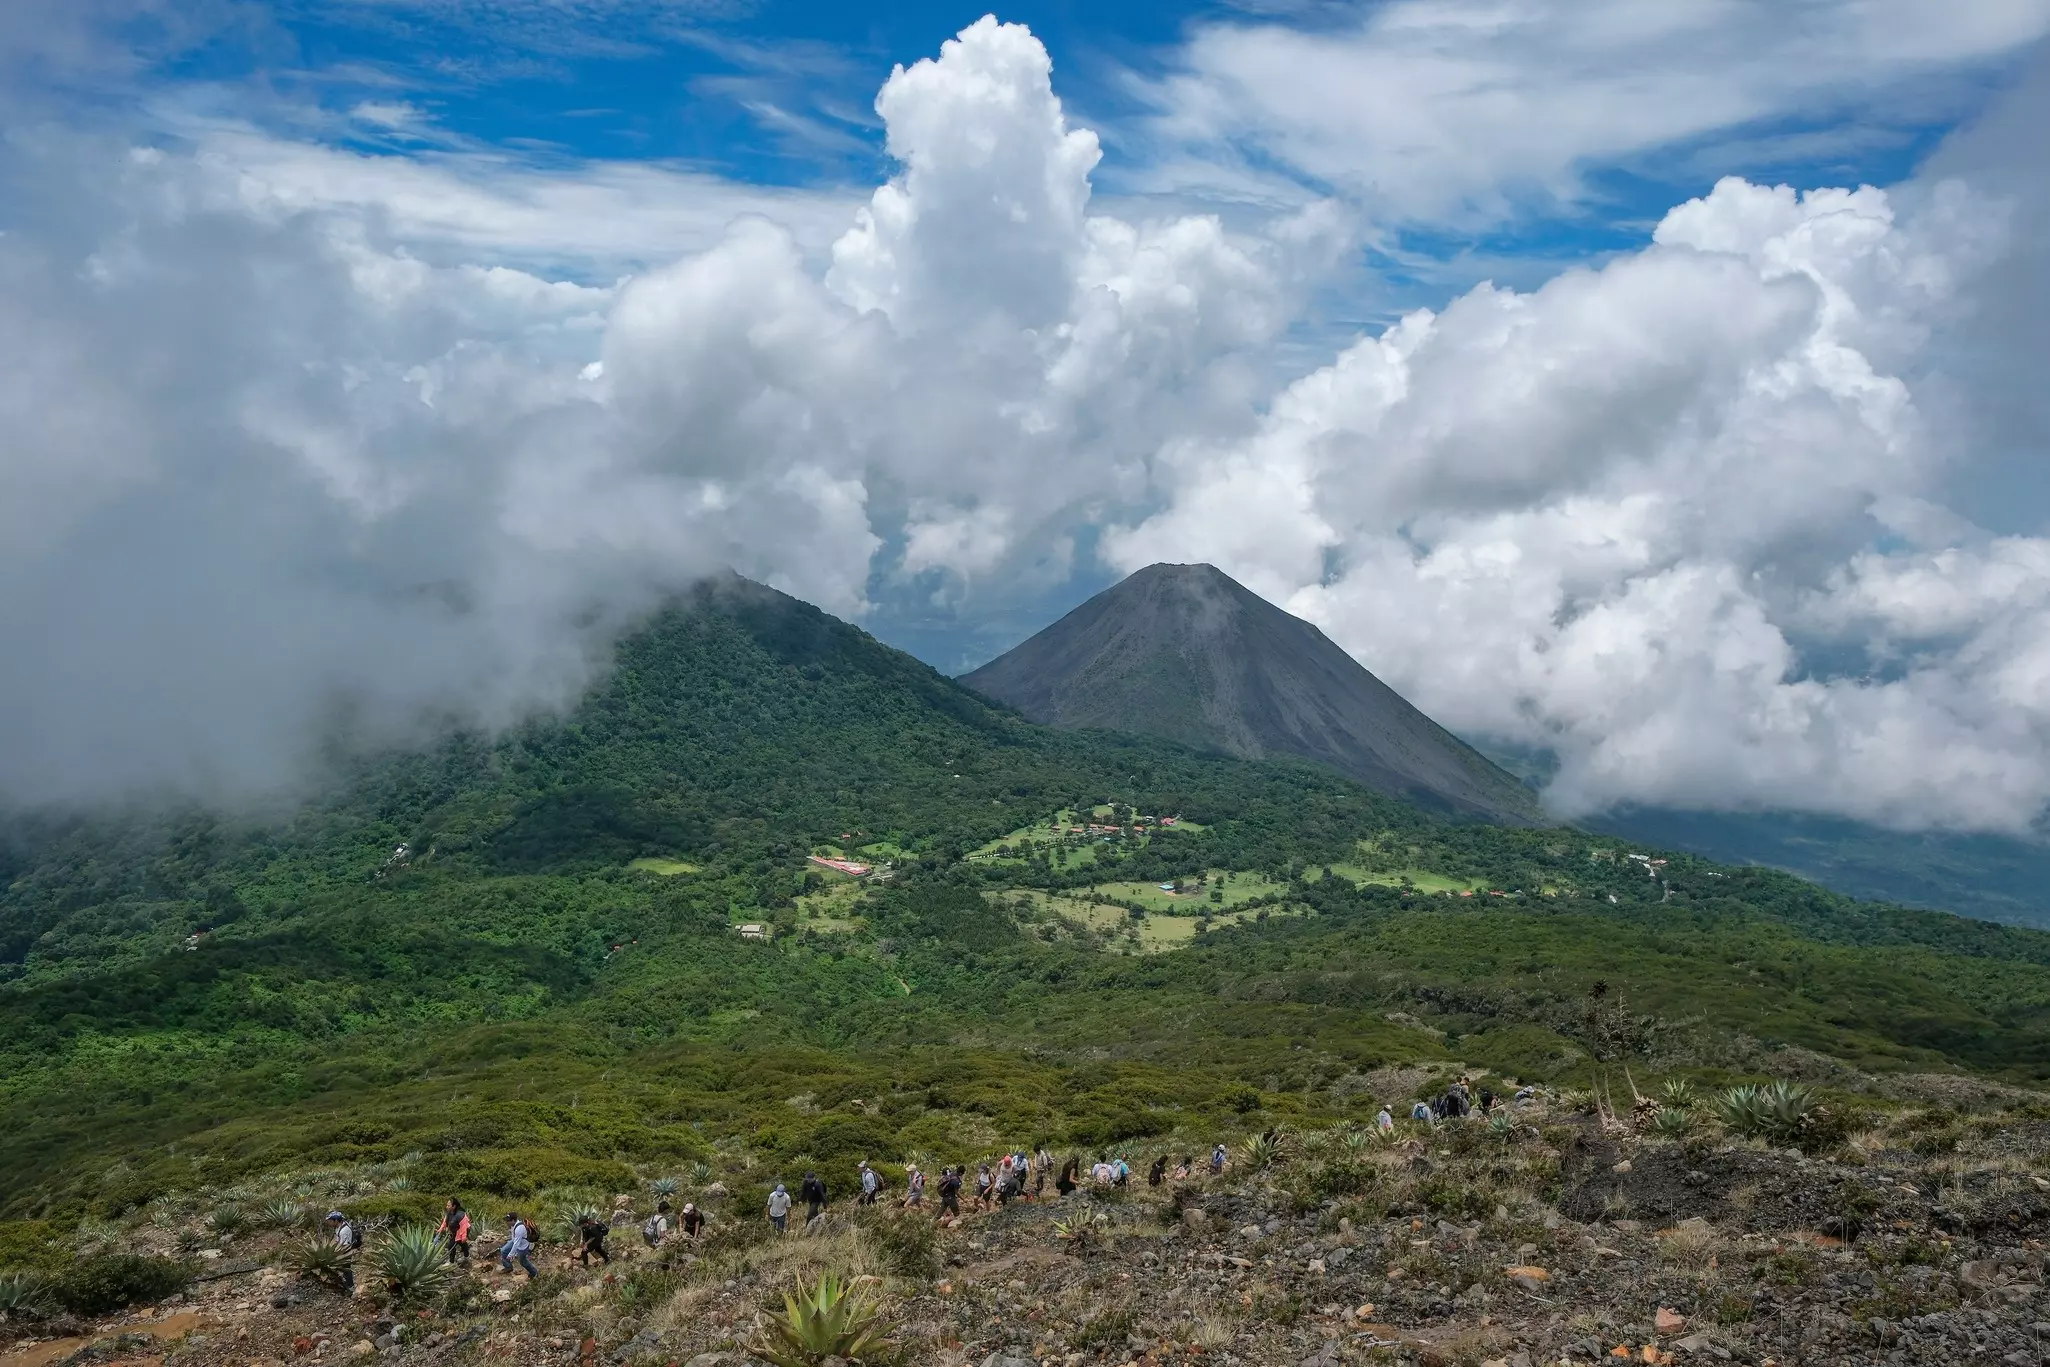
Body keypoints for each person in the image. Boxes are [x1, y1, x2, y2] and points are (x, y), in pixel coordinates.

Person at [324, 1212, 359, 1292]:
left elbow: (344, 1246)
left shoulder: (344, 1231)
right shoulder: (339, 1226)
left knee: (346, 1269)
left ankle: (350, 1287)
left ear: (336, 1220)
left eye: (330, 1221)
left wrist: (334, 1254)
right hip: (341, 1251)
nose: (329, 1223)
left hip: (345, 1252)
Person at [499, 1211, 537, 1280]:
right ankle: (508, 1267)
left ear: (513, 1220)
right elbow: (514, 1239)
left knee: (523, 1262)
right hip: (515, 1242)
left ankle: (534, 1273)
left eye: (508, 1221)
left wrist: (510, 1255)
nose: (507, 1222)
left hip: (523, 1247)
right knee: (503, 1251)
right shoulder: (513, 1225)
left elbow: (516, 1244)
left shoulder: (519, 1229)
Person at [439, 1199, 471, 1265]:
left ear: (454, 1206)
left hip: (462, 1231)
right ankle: (452, 1261)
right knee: (451, 1246)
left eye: (448, 1205)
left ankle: (466, 1257)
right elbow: (445, 1221)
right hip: (454, 1232)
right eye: (447, 1205)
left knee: (461, 1243)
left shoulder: (460, 1215)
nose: (446, 1207)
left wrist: (464, 1237)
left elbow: (464, 1226)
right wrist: (441, 1229)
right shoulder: (449, 1213)